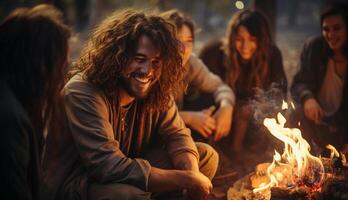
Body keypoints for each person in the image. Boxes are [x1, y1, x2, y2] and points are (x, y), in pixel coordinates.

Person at [42, 9, 218, 200]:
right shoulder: (83, 91)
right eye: (139, 59)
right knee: (129, 195)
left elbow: (177, 135)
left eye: (156, 62)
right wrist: (184, 180)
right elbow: (107, 166)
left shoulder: (155, 85)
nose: (147, 71)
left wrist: (191, 174)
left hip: (128, 170)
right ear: (118, 56)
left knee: (205, 157)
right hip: (79, 183)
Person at [0, 4, 71, 199]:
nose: (62, 74)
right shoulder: (9, 120)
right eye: (59, 64)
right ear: (40, 63)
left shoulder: (17, 104)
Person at [199, 9, 287, 155]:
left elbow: (280, 93)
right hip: (221, 110)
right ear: (233, 38)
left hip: (254, 117)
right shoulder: (215, 53)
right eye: (240, 39)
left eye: (252, 39)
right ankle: (218, 151)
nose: (245, 46)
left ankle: (241, 151)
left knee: (248, 112)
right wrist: (226, 106)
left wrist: (257, 106)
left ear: (262, 40)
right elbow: (205, 92)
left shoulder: (272, 55)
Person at [160, 9, 235, 142]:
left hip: (175, 125)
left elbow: (219, 86)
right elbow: (151, 117)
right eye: (178, 40)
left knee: (211, 102)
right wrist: (190, 118)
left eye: (189, 41)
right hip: (153, 136)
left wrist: (226, 106)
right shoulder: (153, 67)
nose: (184, 48)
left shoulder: (190, 63)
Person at [291, 3, 348, 150]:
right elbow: (299, 83)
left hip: (344, 128)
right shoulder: (315, 48)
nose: (330, 35)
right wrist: (308, 98)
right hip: (316, 122)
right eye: (326, 29)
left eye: (337, 28)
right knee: (294, 114)